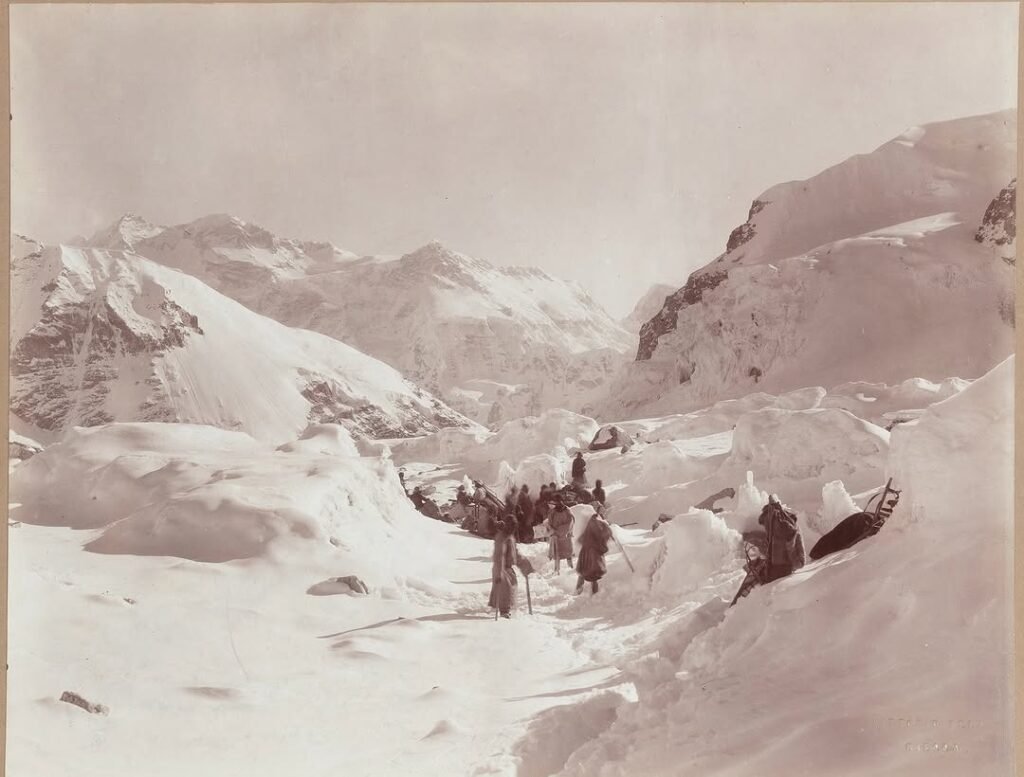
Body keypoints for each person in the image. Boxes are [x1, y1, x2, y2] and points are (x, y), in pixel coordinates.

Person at [758, 495, 805, 582]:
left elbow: (791, 535)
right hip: (787, 564)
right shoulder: (784, 517)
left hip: (781, 567)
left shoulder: (776, 520)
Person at [488, 515, 520, 618]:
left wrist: (524, 563)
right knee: (505, 588)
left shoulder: (510, 537)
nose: (512, 528)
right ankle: (504, 611)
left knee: (511, 587)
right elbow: (499, 555)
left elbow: (515, 551)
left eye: (514, 526)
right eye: (511, 526)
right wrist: (499, 572)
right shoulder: (501, 537)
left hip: (508, 567)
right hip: (501, 567)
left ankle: (504, 607)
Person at [576, 510, 613, 595]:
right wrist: (608, 530)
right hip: (594, 554)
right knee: (593, 574)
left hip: (586, 552)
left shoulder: (591, 522)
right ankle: (593, 594)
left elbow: (581, 539)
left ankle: (578, 591)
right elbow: (603, 536)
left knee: (583, 572)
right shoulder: (599, 524)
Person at [547, 496, 575, 573]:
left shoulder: (567, 511)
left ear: (562, 501)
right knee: (557, 555)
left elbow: (570, 523)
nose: (558, 504)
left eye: (559, 501)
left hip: (565, 537)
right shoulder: (553, 511)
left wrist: (559, 531)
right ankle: (556, 570)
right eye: (556, 502)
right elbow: (549, 523)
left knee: (568, 554)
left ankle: (571, 570)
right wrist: (552, 530)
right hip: (556, 537)